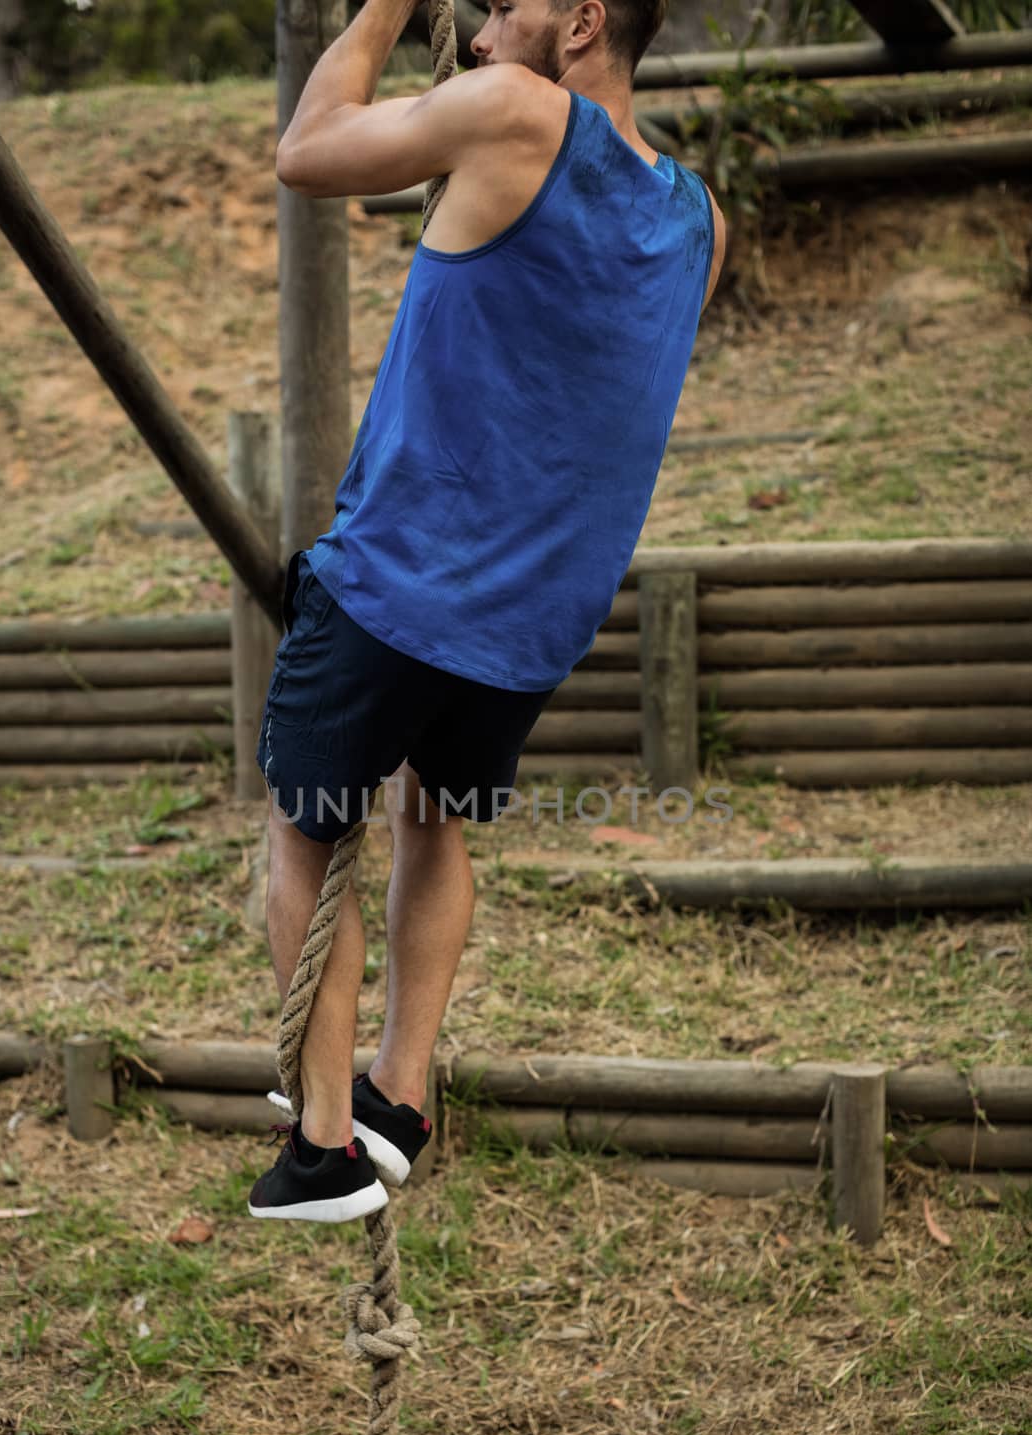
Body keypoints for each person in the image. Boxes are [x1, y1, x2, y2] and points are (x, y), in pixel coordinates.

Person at [247, 0, 726, 1223]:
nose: (472, 38)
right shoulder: (696, 219)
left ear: (577, 24)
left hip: (403, 577)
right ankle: (397, 1094)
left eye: (500, 11)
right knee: (432, 819)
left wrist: (384, 7)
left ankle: (325, 1146)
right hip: (535, 620)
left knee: (303, 834)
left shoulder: (516, 112)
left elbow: (307, 152)